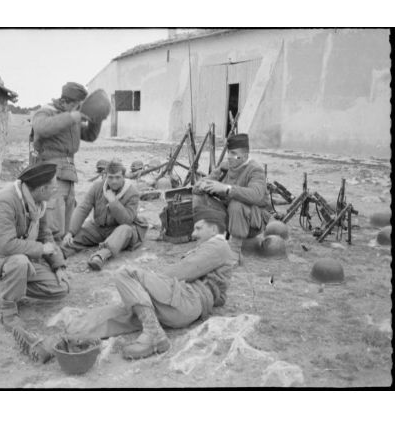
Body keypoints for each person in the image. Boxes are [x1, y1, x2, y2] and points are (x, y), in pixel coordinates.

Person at [64, 207, 235, 360]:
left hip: (188, 300)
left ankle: (153, 333)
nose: (194, 233)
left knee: (125, 274)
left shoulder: (219, 245)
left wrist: (146, 282)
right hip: (180, 305)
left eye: (199, 228)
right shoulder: (212, 247)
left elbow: (182, 270)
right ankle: (72, 333)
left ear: (213, 229)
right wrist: (140, 292)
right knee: (127, 311)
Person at [0, 163, 69, 362]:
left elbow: (45, 234)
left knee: (60, 289)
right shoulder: (5, 202)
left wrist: (58, 265)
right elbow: (5, 246)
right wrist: (41, 250)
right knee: (19, 261)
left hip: (19, 258)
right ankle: (6, 308)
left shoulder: (38, 203)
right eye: (53, 186)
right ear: (42, 189)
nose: (56, 190)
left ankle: (12, 286)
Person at [32, 82, 102, 241]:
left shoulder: (72, 116)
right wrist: (71, 117)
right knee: (53, 219)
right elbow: (41, 128)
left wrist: (96, 121)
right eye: (77, 106)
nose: (79, 110)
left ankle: (60, 254)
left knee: (67, 217)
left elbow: (89, 135)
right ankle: (49, 255)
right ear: (65, 102)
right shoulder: (47, 111)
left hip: (68, 173)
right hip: (51, 173)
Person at [192, 133, 270, 263]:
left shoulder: (256, 170)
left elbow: (255, 195)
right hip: (230, 218)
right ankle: (206, 242)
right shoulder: (226, 166)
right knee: (200, 197)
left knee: (236, 203)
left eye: (234, 153)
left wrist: (225, 189)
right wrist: (203, 185)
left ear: (244, 156)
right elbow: (207, 179)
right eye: (228, 152)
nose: (229, 156)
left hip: (253, 222)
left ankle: (234, 252)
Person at [61, 159, 148, 270]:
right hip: (100, 228)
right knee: (79, 234)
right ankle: (59, 254)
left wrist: (113, 202)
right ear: (106, 176)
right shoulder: (97, 187)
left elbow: (127, 220)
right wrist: (70, 232)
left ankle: (100, 256)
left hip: (120, 231)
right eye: (110, 177)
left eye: (117, 177)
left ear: (124, 177)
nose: (114, 181)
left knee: (125, 229)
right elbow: (83, 208)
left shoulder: (132, 193)